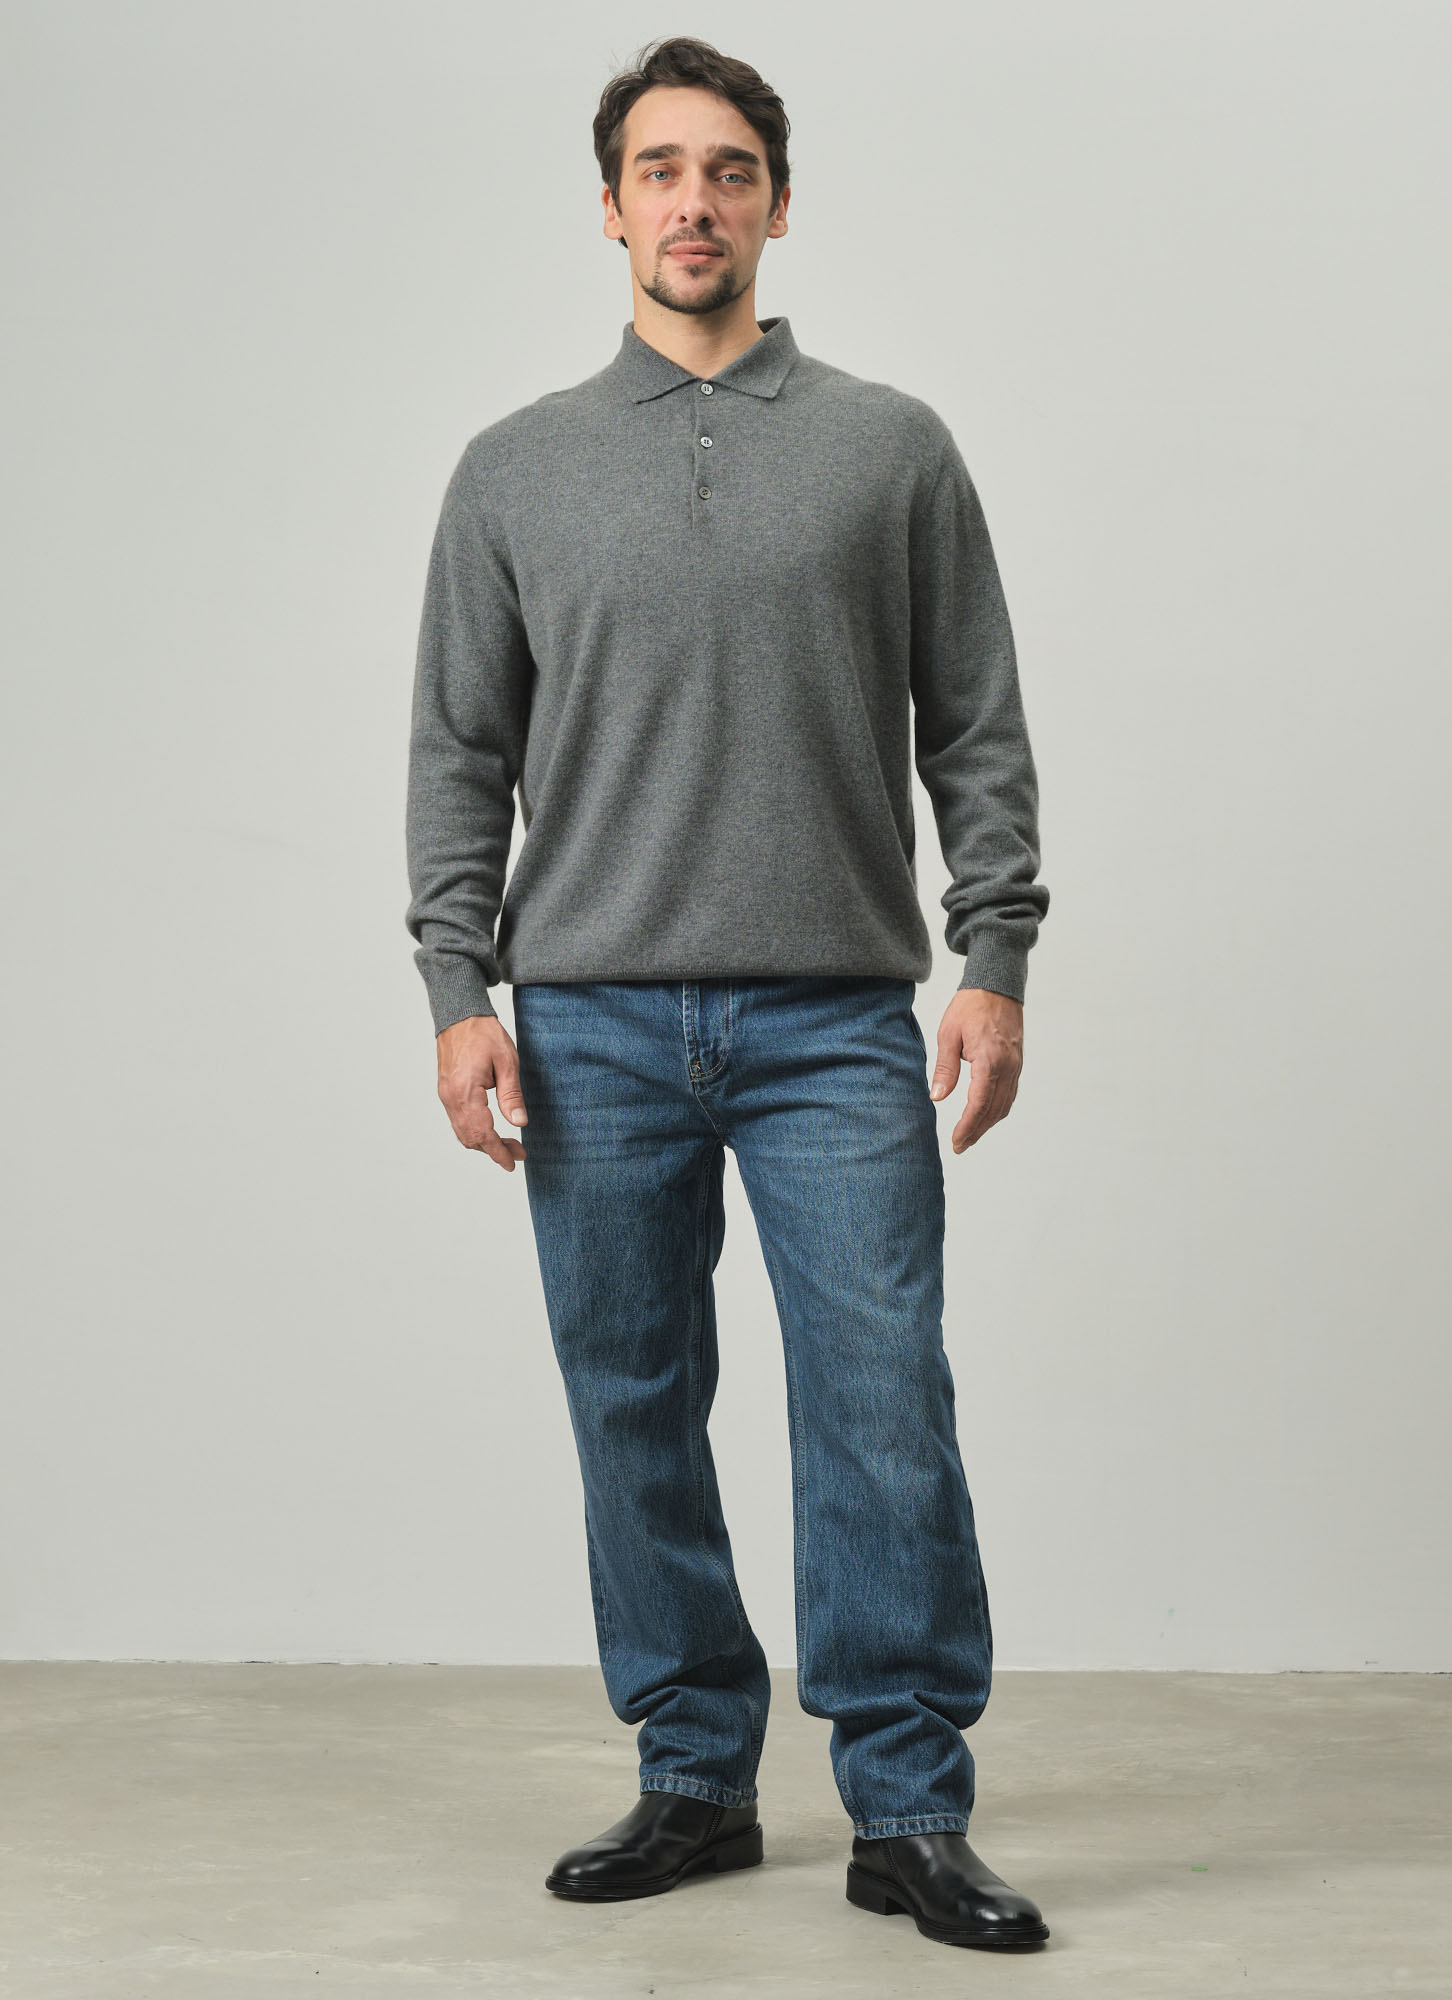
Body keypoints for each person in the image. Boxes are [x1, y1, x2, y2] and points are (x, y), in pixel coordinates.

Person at [403, 34, 1051, 1954]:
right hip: (588, 1021)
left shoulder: (891, 446)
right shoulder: (512, 469)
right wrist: (458, 987)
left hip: (835, 1016)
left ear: (778, 202)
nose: (696, 200)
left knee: (882, 1404)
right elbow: (459, 753)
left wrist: (995, 954)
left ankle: (906, 1808)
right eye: (662, 170)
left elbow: (976, 722)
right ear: (610, 208)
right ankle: (693, 1769)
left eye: (731, 169)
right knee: (632, 1402)